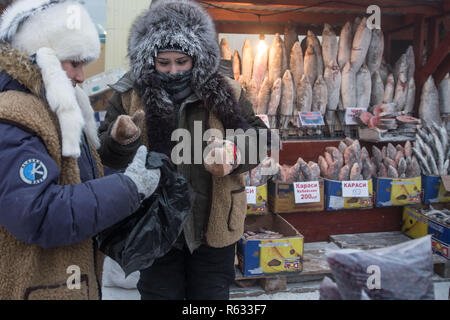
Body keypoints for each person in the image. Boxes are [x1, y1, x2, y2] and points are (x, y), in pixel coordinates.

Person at [98, 0, 270, 300]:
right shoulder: (128, 95)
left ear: (196, 55)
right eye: (163, 63)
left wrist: (233, 154)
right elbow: (105, 156)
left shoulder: (226, 90)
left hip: (214, 227)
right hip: (155, 226)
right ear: (149, 58)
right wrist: (119, 141)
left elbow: (261, 138)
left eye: (181, 61)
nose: (173, 71)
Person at [0, 0, 160, 300]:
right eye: (74, 63)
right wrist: (128, 187)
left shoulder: (54, 110)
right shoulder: (13, 116)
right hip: (36, 287)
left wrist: (127, 166)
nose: (81, 77)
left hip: (66, 283)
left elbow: (80, 182)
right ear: (42, 56)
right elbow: (37, 212)